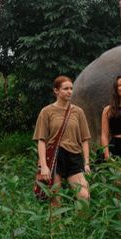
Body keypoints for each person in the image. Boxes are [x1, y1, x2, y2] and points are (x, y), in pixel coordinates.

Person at [33, 75, 92, 207]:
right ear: (56, 91)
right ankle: (56, 227)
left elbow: (84, 140)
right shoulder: (46, 112)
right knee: (55, 199)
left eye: (71, 88)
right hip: (55, 156)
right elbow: (41, 140)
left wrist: (87, 163)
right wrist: (43, 166)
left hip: (74, 156)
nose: (70, 91)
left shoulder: (78, 112)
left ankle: (81, 226)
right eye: (66, 88)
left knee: (84, 196)